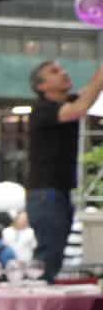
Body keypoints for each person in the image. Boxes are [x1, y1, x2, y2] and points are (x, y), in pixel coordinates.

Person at [25, 60, 103, 281]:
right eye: (55, 71)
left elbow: (88, 95)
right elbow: (80, 108)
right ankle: (37, 294)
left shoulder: (65, 103)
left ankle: (41, 290)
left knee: (54, 254)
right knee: (49, 255)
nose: (64, 73)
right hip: (46, 194)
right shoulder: (43, 110)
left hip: (57, 192)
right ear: (41, 86)